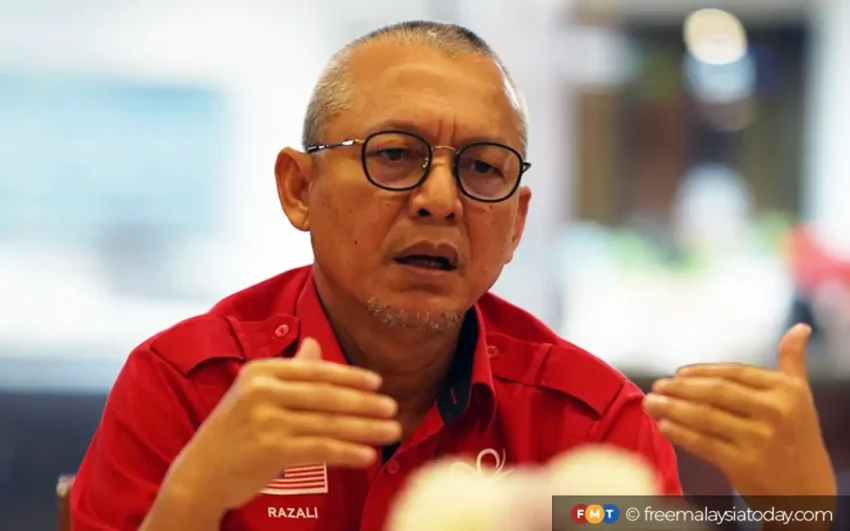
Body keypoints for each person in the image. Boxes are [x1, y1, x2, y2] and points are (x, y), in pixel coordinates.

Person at [70, 20, 836, 531]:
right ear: (299, 189)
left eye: (482, 168)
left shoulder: (589, 424)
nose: (440, 199)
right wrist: (196, 495)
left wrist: (798, 514)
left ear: (517, 223)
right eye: (394, 154)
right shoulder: (187, 387)